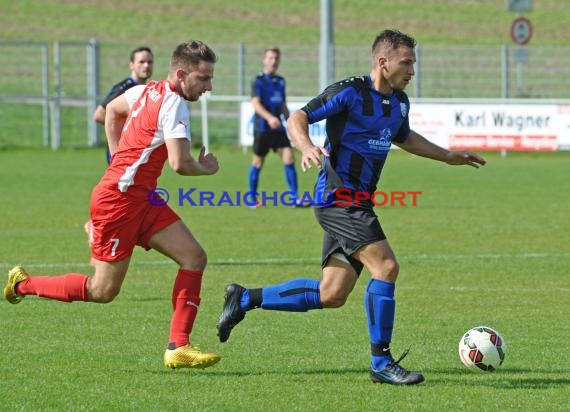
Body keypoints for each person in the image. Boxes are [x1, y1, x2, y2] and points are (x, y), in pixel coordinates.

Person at [217, 30, 486, 385]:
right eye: (406, 63)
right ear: (383, 62)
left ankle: (245, 298)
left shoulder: (399, 103)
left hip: (358, 202)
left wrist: (448, 156)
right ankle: (381, 362)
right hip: (339, 199)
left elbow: (405, 137)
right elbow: (297, 117)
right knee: (386, 267)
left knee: (332, 294)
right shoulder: (350, 92)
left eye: (413, 63)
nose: (412, 71)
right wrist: (306, 146)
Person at [5, 40, 221, 370]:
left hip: (142, 198)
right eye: (203, 79)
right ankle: (22, 283)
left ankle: (179, 346)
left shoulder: (146, 91)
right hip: (118, 203)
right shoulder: (174, 104)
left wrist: (117, 159)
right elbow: (180, 163)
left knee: (194, 257)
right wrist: (207, 167)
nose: (209, 86)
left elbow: (112, 112)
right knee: (103, 290)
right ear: (181, 73)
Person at [248, 47, 306, 207]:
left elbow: (282, 104)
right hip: (262, 128)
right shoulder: (258, 80)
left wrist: (290, 121)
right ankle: (252, 199)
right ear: (264, 60)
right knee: (258, 161)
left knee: (289, 157)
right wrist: (269, 117)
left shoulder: (280, 81)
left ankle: (294, 198)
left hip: (277, 128)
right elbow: (255, 103)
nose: (273, 61)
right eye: (270, 58)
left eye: (276, 58)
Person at [93, 46, 154, 164]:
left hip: (136, 152)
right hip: (121, 154)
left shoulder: (146, 88)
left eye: (149, 62)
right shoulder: (125, 87)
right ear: (131, 65)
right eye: (141, 62)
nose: (146, 65)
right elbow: (99, 115)